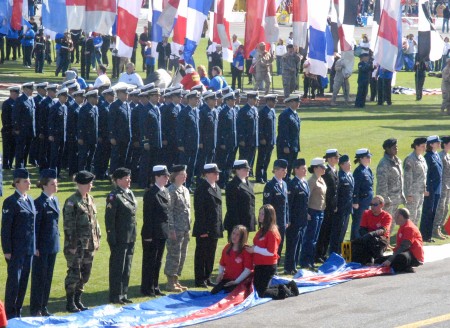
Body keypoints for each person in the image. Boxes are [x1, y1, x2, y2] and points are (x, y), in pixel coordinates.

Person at [63, 170, 100, 312]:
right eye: (89, 183)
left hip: (89, 245)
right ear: (81, 184)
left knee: (85, 273)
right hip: (76, 246)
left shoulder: (90, 199)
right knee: (74, 273)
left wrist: (97, 240)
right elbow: (69, 226)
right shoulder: (72, 201)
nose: (91, 185)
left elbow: (94, 223)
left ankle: (78, 299)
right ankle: (70, 302)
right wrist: (72, 245)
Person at [1, 169, 35, 319]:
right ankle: (10, 312)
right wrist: (7, 250)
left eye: (29, 180)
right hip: (16, 250)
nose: (29, 183)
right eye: (25, 181)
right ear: (16, 183)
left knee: (24, 281)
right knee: (14, 281)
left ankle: (18, 309)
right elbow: (6, 228)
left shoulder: (30, 200)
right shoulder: (11, 201)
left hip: (28, 249)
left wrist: (34, 247)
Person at [246, 205, 299, 299]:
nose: (260, 216)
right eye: (260, 213)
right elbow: (259, 245)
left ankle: (286, 289)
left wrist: (254, 249)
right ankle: (283, 286)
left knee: (261, 292)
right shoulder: (262, 230)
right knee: (257, 289)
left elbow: (271, 252)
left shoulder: (272, 232)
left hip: (268, 266)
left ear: (269, 216)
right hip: (259, 265)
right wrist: (252, 248)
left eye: (263, 214)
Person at [30, 169, 59, 317]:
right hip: (41, 247)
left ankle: (44, 306)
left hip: (52, 245)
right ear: (45, 185)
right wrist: (35, 247)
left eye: (56, 183)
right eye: (53, 184)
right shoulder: (38, 203)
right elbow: (34, 228)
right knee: (39, 278)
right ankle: (36, 308)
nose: (56, 186)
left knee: (48, 278)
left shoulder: (55, 200)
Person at [105, 168, 136, 304]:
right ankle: (115, 295)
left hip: (130, 236)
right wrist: (111, 237)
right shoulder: (114, 196)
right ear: (118, 180)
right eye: (126, 178)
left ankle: (123, 293)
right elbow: (110, 220)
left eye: (129, 177)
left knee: (127, 266)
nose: (129, 180)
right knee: (118, 267)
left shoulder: (129, 193)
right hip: (119, 237)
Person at [193, 163, 224, 288]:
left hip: (214, 227)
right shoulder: (202, 188)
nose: (217, 174)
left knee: (211, 254)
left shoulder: (216, 187)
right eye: (214, 172)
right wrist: (203, 229)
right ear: (206, 174)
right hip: (205, 228)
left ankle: (207, 277)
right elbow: (199, 211)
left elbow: (219, 210)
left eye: (217, 172)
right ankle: (200, 279)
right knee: (202, 254)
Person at [141, 165, 170, 297]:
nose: (167, 178)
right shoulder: (151, 193)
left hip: (162, 232)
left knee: (158, 261)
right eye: (164, 176)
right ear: (156, 177)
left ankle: (155, 285)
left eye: (167, 176)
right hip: (152, 233)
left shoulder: (164, 191)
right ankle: (147, 288)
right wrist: (148, 235)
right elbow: (148, 216)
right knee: (149, 261)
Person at [164, 165, 191, 292]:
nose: (185, 176)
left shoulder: (185, 190)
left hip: (185, 228)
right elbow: (169, 212)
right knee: (174, 255)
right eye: (182, 174)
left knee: (182, 255)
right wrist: (171, 229)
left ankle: (176, 280)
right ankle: (170, 282)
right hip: (176, 229)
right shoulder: (171, 190)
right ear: (174, 176)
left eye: (185, 174)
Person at [299, 158, 327, 269]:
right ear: (315, 168)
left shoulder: (321, 179)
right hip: (313, 211)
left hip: (320, 211)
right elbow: (306, 198)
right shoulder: (312, 181)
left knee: (315, 238)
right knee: (310, 238)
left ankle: (310, 260)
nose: (324, 168)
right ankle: (305, 261)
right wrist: (306, 212)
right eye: (322, 167)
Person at [284, 159, 309, 274]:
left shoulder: (304, 182)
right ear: (296, 170)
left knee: (299, 243)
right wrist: (288, 220)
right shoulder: (293, 184)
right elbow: (289, 204)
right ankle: (289, 267)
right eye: (303, 168)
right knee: (292, 244)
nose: (305, 170)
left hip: (302, 220)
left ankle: (294, 265)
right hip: (294, 221)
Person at [211, 225, 252, 295]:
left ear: (242, 237)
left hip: (240, 281)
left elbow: (248, 270)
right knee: (213, 293)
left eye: (237, 235)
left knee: (231, 296)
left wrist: (236, 281)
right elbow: (222, 264)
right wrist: (220, 274)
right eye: (233, 233)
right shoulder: (227, 247)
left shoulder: (246, 250)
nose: (234, 236)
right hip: (227, 279)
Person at [351, 195, 392, 265]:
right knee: (353, 247)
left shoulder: (387, 216)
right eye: (371, 204)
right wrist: (368, 236)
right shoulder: (366, 213)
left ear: (382, 205)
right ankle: (366, 258)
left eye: (375, 205)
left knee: (375, 241)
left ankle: (380, 258)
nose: (372, 207)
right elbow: (362, 229)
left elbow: (382, 231)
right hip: (368, 239)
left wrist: (370, 234)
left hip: (381, 240)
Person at [381, 208, 424, 273]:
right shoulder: (403, 226)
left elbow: (404, 246)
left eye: (395, 215)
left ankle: (406, 267)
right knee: (380, 259)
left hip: (413, 256)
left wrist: (390, 259)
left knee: (401, 257)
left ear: (400, 216)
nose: (394, 217)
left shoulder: (409, 228)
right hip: (404, 252)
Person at [316, 149, 339, 263]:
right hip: (326, 206)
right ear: (329, 159)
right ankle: (319, 253)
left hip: (332, 206)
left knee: (328, 231)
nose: (337, 159)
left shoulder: (334, 170)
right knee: (323, 231)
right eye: (335, 158)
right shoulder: (327, 172)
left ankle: (324, 252)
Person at [376, 138, 406, 227]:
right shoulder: (383, 164)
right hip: (388, 201)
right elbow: (382, 184)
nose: (396, 149)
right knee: (385, 224)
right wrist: (385, 200)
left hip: (396, 199)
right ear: (387, 149)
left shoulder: (398, 161)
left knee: (392, 224)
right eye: (394, 147)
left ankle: (386, 240)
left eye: (396, 147)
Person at [263, 159, 289, 259]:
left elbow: (286, 204)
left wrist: (287, 219)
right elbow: (267, 205)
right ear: (276, 170)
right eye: (283, 170)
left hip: (282, 221)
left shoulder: (284, 184)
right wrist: (269, 222)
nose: (285, 172)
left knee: (280, 243)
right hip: (273, 221)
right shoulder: (270, 185)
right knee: (272, 245)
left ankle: (276, 264)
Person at [329, 155, 354, 255]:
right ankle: (334, 253)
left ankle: (342, 253)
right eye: (348, 162)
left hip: (348, 209)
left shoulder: (350, 175)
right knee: (337, 232)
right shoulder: (340, 176)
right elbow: (336, 194)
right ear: (342, 165)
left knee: (344, 231)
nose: (350, 164)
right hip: (340, 209)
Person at [420, 136, 443, 243]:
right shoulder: (428, 157)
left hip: (437, 188)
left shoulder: (436, 155)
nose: (439, 144)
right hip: (431, 189)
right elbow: (426, 175)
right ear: (431, 144)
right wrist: (427, 188)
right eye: (437, 143)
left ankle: (428, 235)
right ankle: (424, 234)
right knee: (428, 212)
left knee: (433, 212)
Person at [224, 160, 256, 237]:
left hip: (247, 221)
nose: (247, 171)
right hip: (237, 223)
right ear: (237, 170)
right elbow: (232, 208)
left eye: (248, 169)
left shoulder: (249, 184)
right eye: (245, 169)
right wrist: (237, 226)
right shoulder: (232, 185)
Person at [177, 90, 200, 190]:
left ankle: (189, 184)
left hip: (194, 143)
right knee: (184, 165)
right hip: (186, 143)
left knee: (192, 165)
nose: (198, 100)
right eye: (196, 99)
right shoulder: (184, 112)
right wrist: (180, 143)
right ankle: (183, 184)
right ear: (190, 99)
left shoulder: (196, 111)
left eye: (198, 98)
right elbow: (180, 129)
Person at [404, 137, 428, 225]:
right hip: (413, 193)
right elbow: (407, 178)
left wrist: (424, 189)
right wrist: (409, 194)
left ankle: (413, 235)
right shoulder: (410, 159)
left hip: (420, 192)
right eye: (422, 146)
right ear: (416, 146)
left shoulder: (421, 158)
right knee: (411, 216)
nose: (425, 148)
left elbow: (424, 175)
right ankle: (407, 235)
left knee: (417, 215)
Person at [216, 92, 238, 188]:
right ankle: (221, 182)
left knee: (230, 162)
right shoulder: (223, 112)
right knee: (223, 163)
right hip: (225, 142)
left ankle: (226, 180)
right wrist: (222, 142)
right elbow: (221, 129)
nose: (234, 101)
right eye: (232, 100)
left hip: (232, 142)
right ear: (227, 100)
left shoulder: (232, 110)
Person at [276, 95, 301, 179]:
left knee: (291, 166)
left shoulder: (295, 114)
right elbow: (283, 132)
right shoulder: (285, 115)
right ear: (291, 103)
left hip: (294, 145)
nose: (298, 103)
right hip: (287, 146)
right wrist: (285, 145)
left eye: (298, 102)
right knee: (284, 167)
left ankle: (287, 183)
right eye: (296, 102)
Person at [351, 148, 374, 240]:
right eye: (367, 157)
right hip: (360, 202)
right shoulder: (359, 171)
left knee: (364, 224)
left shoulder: (368, 170)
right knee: (357, 224)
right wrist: (355, 201)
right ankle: (354, 244)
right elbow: (355, 187)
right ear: (361, 159)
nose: (369, 159)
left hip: (366, 202)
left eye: (369, 157)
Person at [108, 86, 132, 174]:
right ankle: (113, 175)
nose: (126, 95)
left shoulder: (127, 105)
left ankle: (121, 175)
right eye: (124, 94)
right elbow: (111, 122)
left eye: (127, 94)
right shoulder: (114, 105)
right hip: (117, 136)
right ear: (118, 94)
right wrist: (112, 136)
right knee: (115, 157)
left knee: (123, 157)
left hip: (126, 136)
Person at [13, 82, 36, 169]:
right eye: (30, 89)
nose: (32, 91)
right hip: (22, 130)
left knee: (26, 150)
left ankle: (24, 166)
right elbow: (15, 115)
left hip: (29, 130)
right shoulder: (20, 100)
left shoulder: (31, 99)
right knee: (20, 150)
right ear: (25, 89)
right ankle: (19, 167)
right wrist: (16, 128)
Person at [255, 94, 277, 184]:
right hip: (264, 140)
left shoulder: (272, 111)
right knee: (262, 158)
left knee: (267, 159)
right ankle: (259, 176)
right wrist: (262, 137)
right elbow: (260, 126)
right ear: (268, 101)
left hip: (271, 140)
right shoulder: (263, 111)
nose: (275, 103)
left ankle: (264, 175)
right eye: (273, 101)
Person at [197, 91, 218, 180]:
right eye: (213, 99)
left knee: (210, 162)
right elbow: (200, 128)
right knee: (202, 163)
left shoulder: (215, 111)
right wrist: (200, 141)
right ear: (208, 100)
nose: (215, 101)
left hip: (212, 141)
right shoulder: (203, 111)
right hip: (205, 142)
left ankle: (208, 179)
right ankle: (200, 180)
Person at [237, 91, 259, 173]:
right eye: (254, 99)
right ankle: (240, 173)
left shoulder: (255, 109)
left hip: (253, 139)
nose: (255, 101)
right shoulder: (243, 110)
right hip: (246, 139)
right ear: (249, 99)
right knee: (244, 158)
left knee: (251, 157)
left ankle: (248, 172)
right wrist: (241, 139)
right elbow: (240, 126)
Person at [48, 88, 68, 176]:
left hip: (62, 135)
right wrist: (51, 134)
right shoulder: (54, 107)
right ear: (60, 96)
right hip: (55, 135)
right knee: (54, 155)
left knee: (60, 155)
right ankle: (53, 172)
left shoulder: (65, 107)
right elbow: (51, 122)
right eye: (64, 96)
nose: (66, 98)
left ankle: (58, 172)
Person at [77, 90, 99, 172]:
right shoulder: (84, 108)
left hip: (93, 138)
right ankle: (81, 174)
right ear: (90, 98)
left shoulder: (95, 108)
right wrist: (80, 137)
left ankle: (88, 174)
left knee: (91, 158)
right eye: (96, 97)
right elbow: (81, 124)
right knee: (83, 157)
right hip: (85, 137)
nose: (97, 99)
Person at [434, 136, 450, 240]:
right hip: (443, 186)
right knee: (441, 208)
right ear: (445, 144)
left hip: (448, 186)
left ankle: (440, 227)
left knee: (445, 208)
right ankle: (435, 229)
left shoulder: (447, 155)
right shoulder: (441, 156)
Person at [2, 85, 20, 169]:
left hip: (14, 130)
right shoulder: (7, 103)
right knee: (7, 149)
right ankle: (5, 164)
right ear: (12, 93)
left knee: (13, 148)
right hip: (8, 130)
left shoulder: (16, 103)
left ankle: (10, 162)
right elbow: (5, 118)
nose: (17, 95)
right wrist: (11, 128)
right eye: (15, 93)